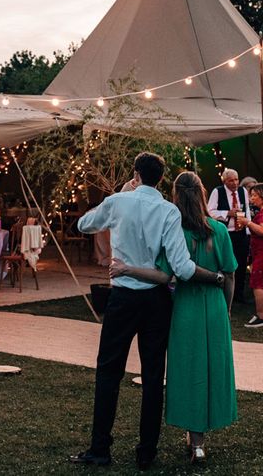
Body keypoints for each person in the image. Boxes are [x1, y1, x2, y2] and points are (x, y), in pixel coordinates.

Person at [70, 153, 221, 470]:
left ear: (136, 174)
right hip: (156, 301)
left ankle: (100, 448)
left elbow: (84, 224)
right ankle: (146, 451)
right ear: (162, 180)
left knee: (108, 371)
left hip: (123, 298)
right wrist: (216, 277)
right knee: (153, 377)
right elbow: (180, 267)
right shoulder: (168, 211)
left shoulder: (119, 202)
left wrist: (122, 196)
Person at [109, 171, 237, 463]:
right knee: (210, 370)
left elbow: (164, 275)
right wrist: (226, 309)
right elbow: (229, 275)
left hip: (184, 308)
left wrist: (126, 268)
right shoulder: (218, 230)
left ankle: (196, 443)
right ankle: (200, 442)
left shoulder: (173, 230)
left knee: (189, 371)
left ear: (176, 195)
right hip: (215, 306)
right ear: (203, 194)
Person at [208, 168, 250, 304]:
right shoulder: (217, 191)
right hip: (226, 234)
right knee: (226, 265)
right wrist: (227, 213)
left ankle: (239, 295)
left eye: (236, 179)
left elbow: (247, 210)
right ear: (224, 181)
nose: (235, 183)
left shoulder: (243, 191)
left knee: (242, 264)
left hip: (241, 233)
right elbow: (210, 211)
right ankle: (225, 293)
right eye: (231, 180)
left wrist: (248, 231)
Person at [238, 183, 263, 328]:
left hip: (261, 253)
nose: (251, 198)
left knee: (257, 283)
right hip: (257, 252)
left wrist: (248, 223)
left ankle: (261, 316)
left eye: (254, 195)